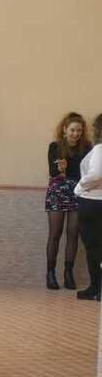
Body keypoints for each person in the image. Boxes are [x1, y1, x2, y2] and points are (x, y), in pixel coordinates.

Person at [45, 112, 91, 290]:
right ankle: (50, 273)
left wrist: (66, 172)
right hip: (57, 191)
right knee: (54, 234)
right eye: (72, 130)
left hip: (78, 191)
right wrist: (60, 170)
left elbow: (85, 173)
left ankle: (68, 273)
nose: (76, 134)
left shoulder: (87, 148)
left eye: (79, 130)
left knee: (73, 234)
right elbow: (54, 172)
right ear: (65, 130)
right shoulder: (55, 147)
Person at [74, 113, 102, 300]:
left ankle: (96, 288)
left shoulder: (100, 149)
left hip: (93, 203)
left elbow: (96, 174)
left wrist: (80, 186)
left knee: (93, 248)